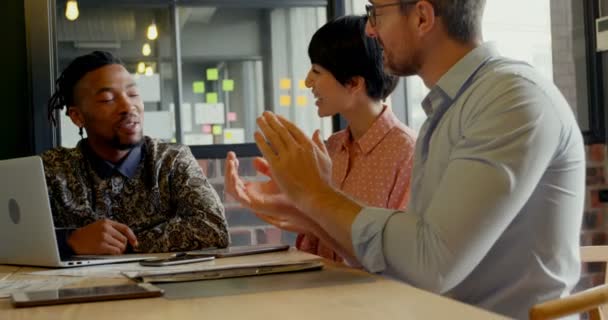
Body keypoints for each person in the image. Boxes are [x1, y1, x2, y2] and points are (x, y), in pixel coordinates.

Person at [229, 1, 585, 319]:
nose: (369, 29)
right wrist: (310, 205)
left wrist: (316, 195)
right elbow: (409, 258)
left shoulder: (512, 100)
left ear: (421, 17)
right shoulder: (450, 107)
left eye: (376, 13)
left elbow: (431, 264)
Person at [225, 15, 416, 263]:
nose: (307, 82)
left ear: (354, 83)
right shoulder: (332, 147)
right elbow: (318, 240)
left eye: (316, 71)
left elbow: (401, 260)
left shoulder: (408, 154)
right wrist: (277, 200)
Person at [43, 51, 229, 255]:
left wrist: (125, 244)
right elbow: (13, 237)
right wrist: (70, 241)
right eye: (107, 99)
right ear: (77, 116)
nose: (127, 106)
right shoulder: (52, 170)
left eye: (132, 94)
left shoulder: (171, 161)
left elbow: (213, 228)